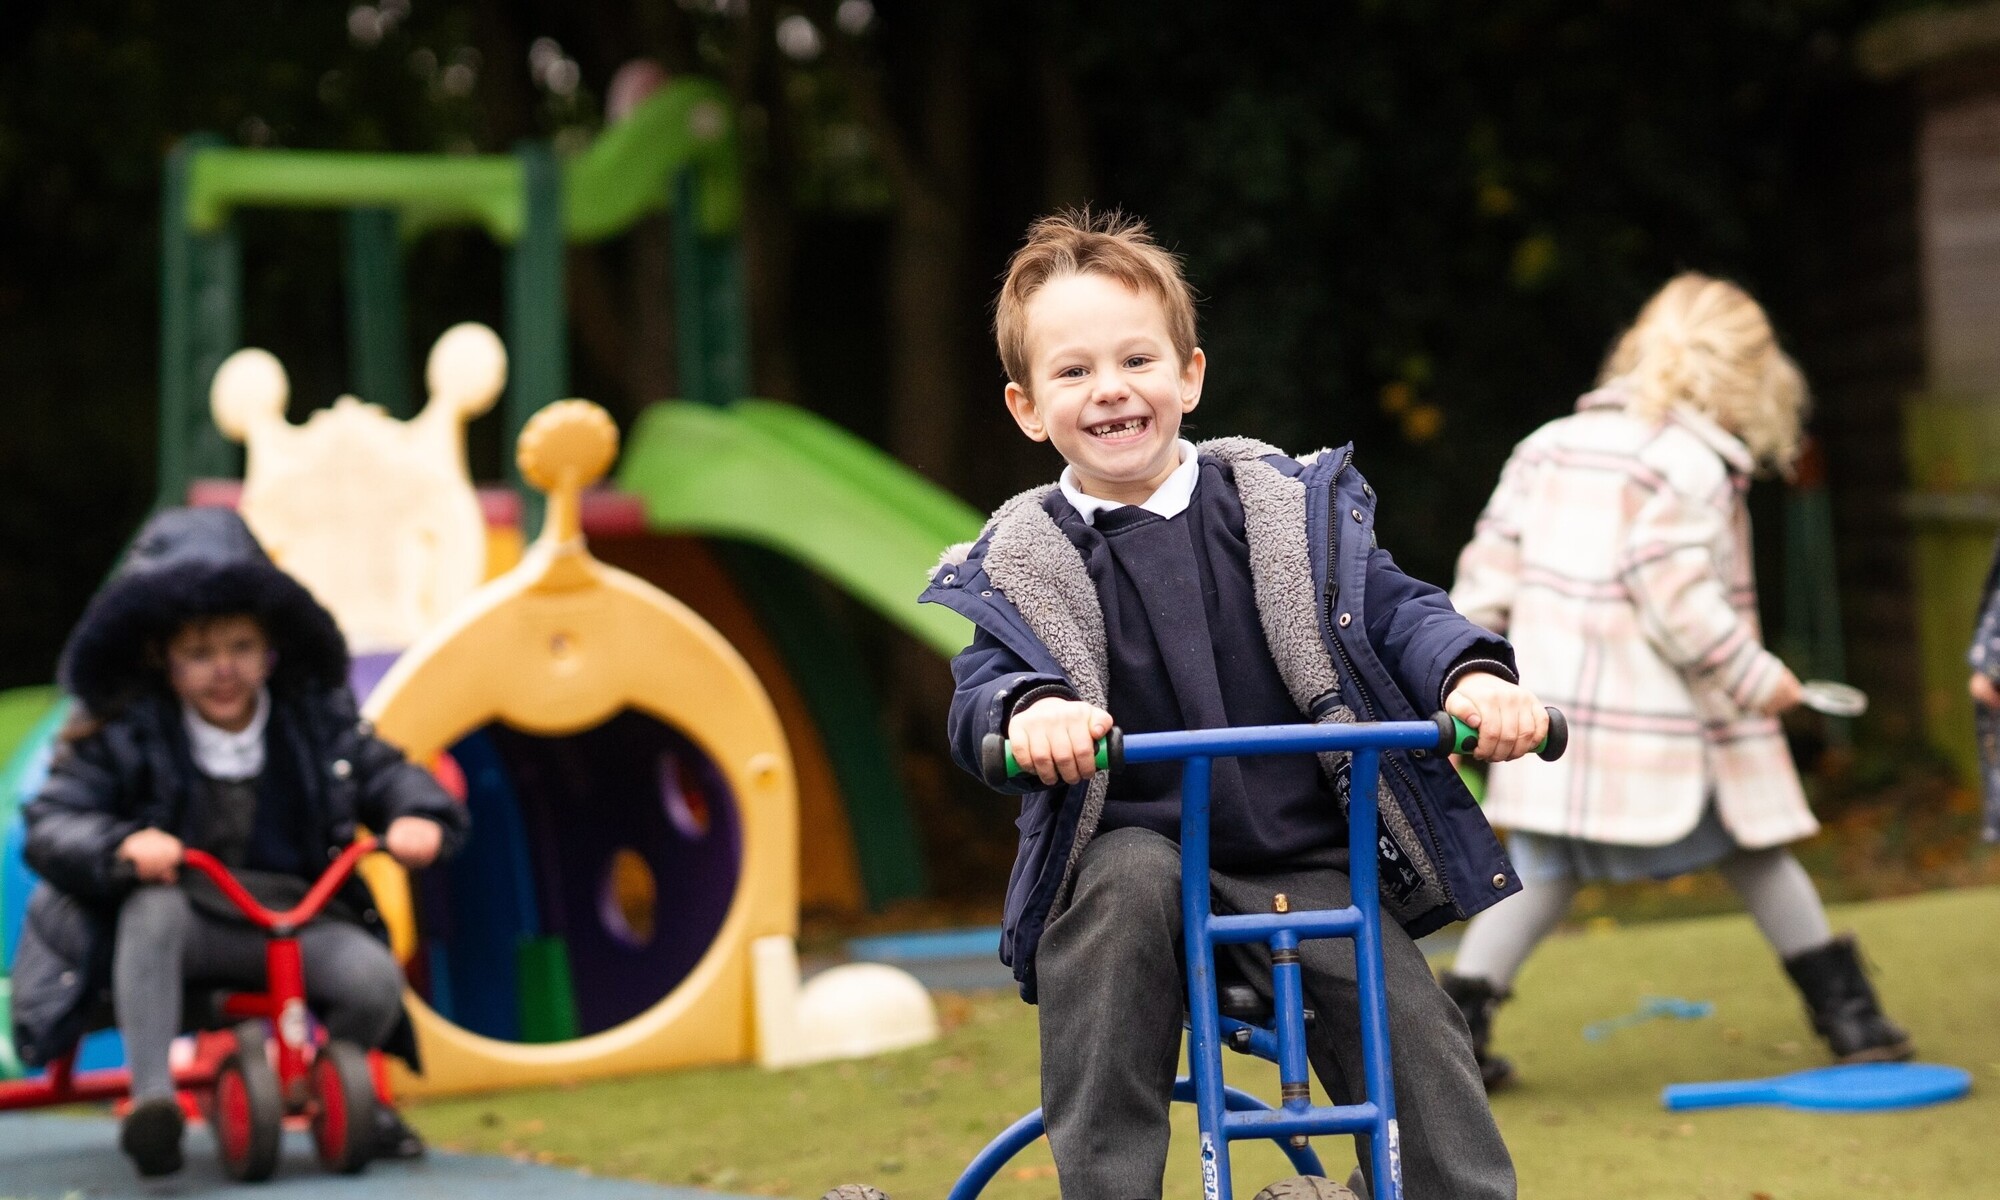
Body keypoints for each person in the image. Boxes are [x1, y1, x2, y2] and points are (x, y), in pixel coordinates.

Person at [920, 209, 1547, 1200]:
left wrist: (1470, 678)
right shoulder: (1021, 561)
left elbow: (1394, 612)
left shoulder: (1282, 512)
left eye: (1135, 359)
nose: (1111, 390)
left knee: (1410, 1022)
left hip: (1302, 855)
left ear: (1189, 377)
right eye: (1073, 372)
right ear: (1027, 408)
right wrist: (1028, 713)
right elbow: (984, 688)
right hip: (1133, 854)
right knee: (1122, 894)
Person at [1443, 272, 1911, 1091]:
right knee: (1756, 853)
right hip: (1668, 729)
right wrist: (1757, 675)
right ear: (1753, 379)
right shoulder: (1693, 462)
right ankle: (1850, 1016)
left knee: (1547, 869)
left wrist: (1455, 672)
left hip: (1561, 727)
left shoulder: (1548, 443)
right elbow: (1675, 593)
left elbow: (1487, 572)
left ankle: (1457, 1036)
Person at [8, 508, 469, 1177]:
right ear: (162, 659)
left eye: (241, 649)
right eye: (199, 655)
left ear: (270, 648)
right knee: (152, 908)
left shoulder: (311, 716)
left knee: (371, 978)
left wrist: (416, 815)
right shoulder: (120, 728)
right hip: (177, 917)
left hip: (289, 918)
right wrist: (123, 845)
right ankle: (154, 1105)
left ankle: (333, 1087)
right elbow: (54, 821)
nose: (223, 671)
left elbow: (383, 771)